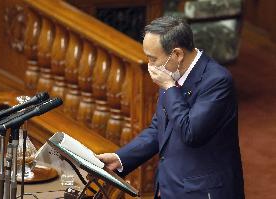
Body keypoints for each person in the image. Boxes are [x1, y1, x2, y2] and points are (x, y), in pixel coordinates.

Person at [97, 16, 245, 199]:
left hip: (202, 192)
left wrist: (169, 87)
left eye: (153, 59)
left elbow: (190, 132)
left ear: (177, 55)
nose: (150, 66)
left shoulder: (217, 81)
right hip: (169, 187)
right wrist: (120, 159)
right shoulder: (172, 74)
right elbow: (159, 128)